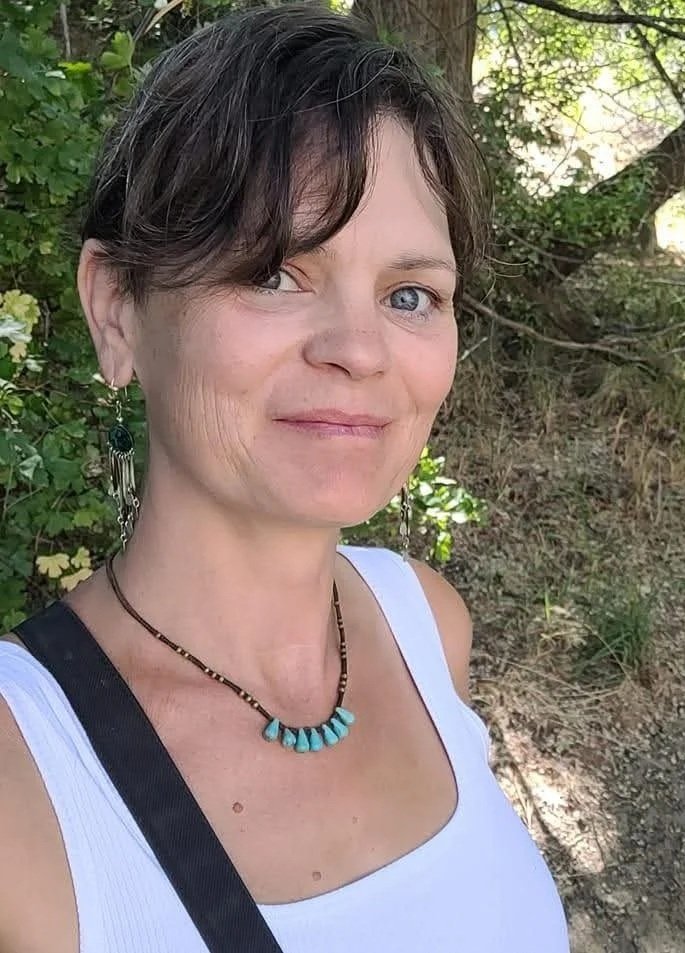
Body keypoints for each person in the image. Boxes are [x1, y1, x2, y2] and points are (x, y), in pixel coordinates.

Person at [0, 5, 569, 952]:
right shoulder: (22, 781)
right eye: (274, 272)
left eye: (409, 295)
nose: (358, 350)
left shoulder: (425, 622)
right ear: (117, 308)